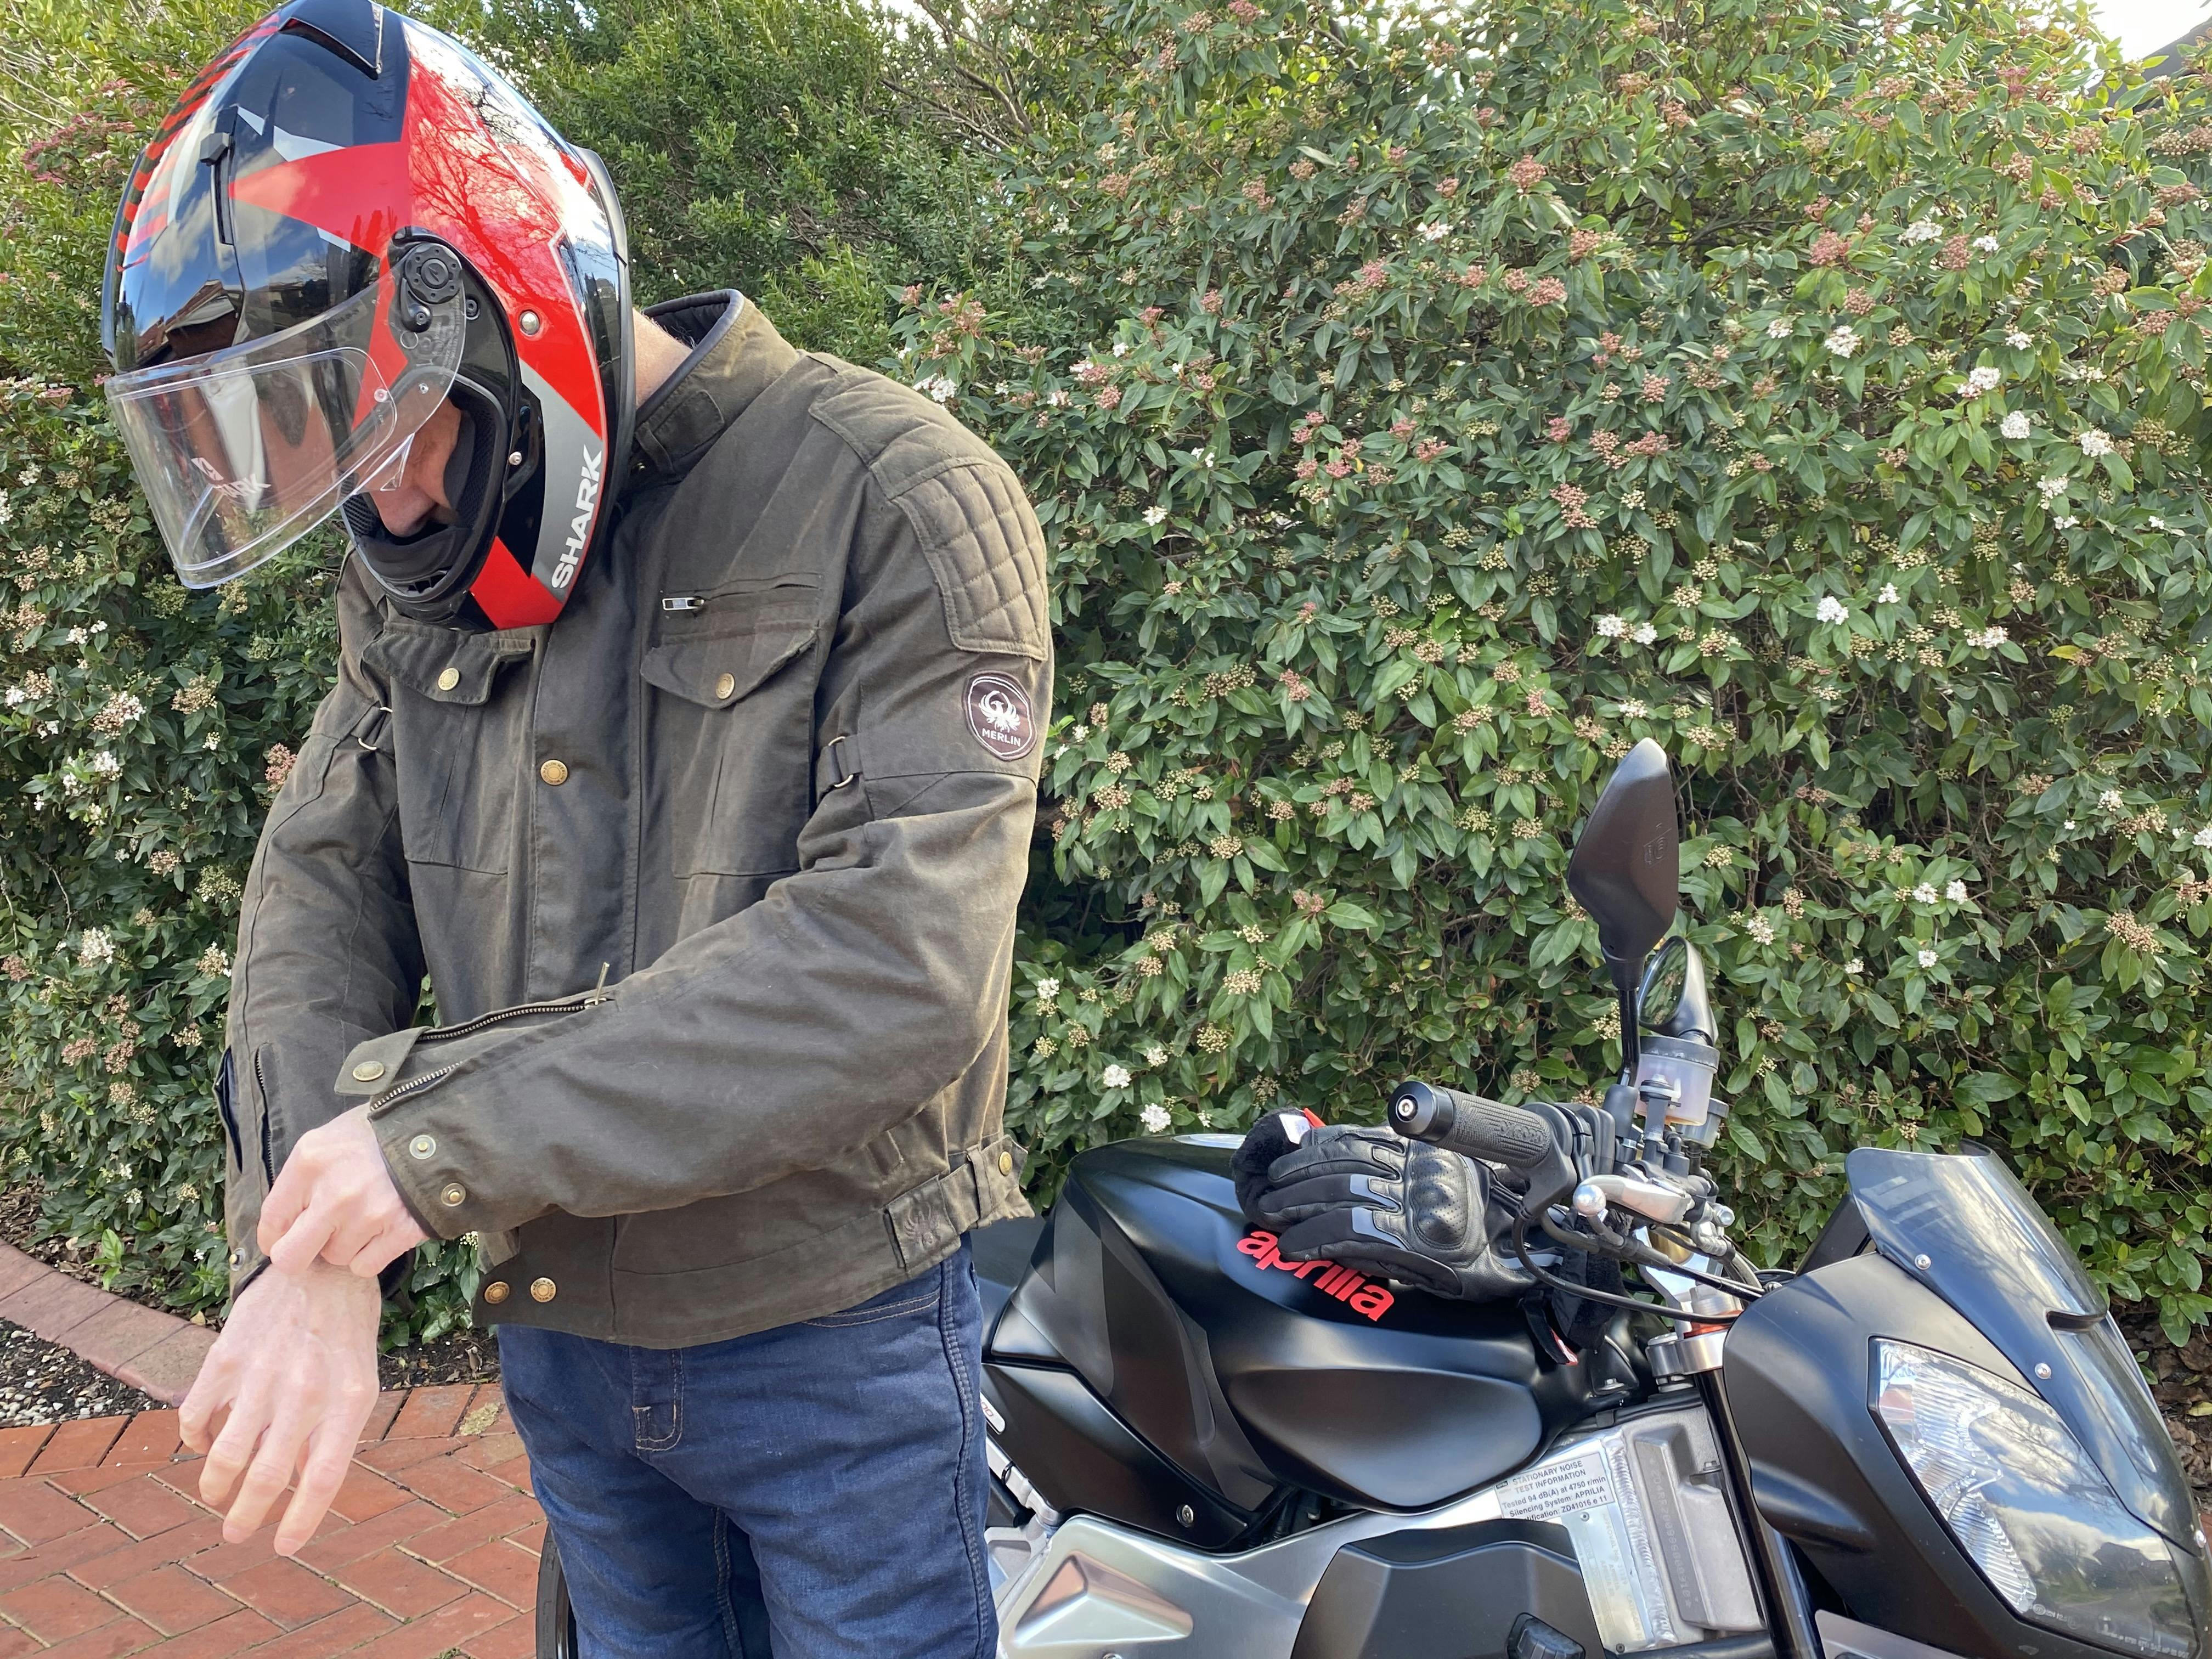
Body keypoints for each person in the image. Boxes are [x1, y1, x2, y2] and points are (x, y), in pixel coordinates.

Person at [100, 4, 1049, 1654]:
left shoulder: (892, 495)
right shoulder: (421, 568)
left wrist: (417, 1148)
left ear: (507, 307)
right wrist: (303, 1246)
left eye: (400, 441)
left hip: (834, 1342)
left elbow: (898, 961)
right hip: (563, 1352)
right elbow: (320, 891)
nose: (390, 515)